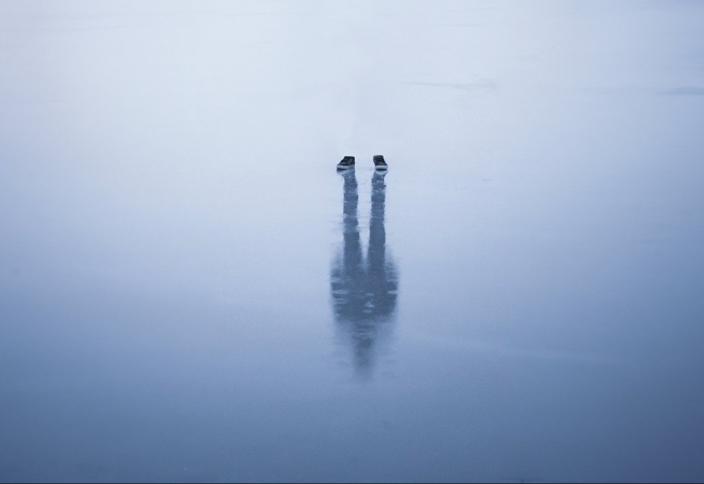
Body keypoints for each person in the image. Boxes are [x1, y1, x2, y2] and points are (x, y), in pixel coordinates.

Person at [330, 164, 398, 376]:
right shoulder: (369, 319)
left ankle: (357, 178)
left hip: (358, 273)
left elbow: (338, 293)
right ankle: (371, 178)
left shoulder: (351, 319)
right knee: (373, 225)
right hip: (371, 274)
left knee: (361, 226)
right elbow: (389, 295)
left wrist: (337, 271)